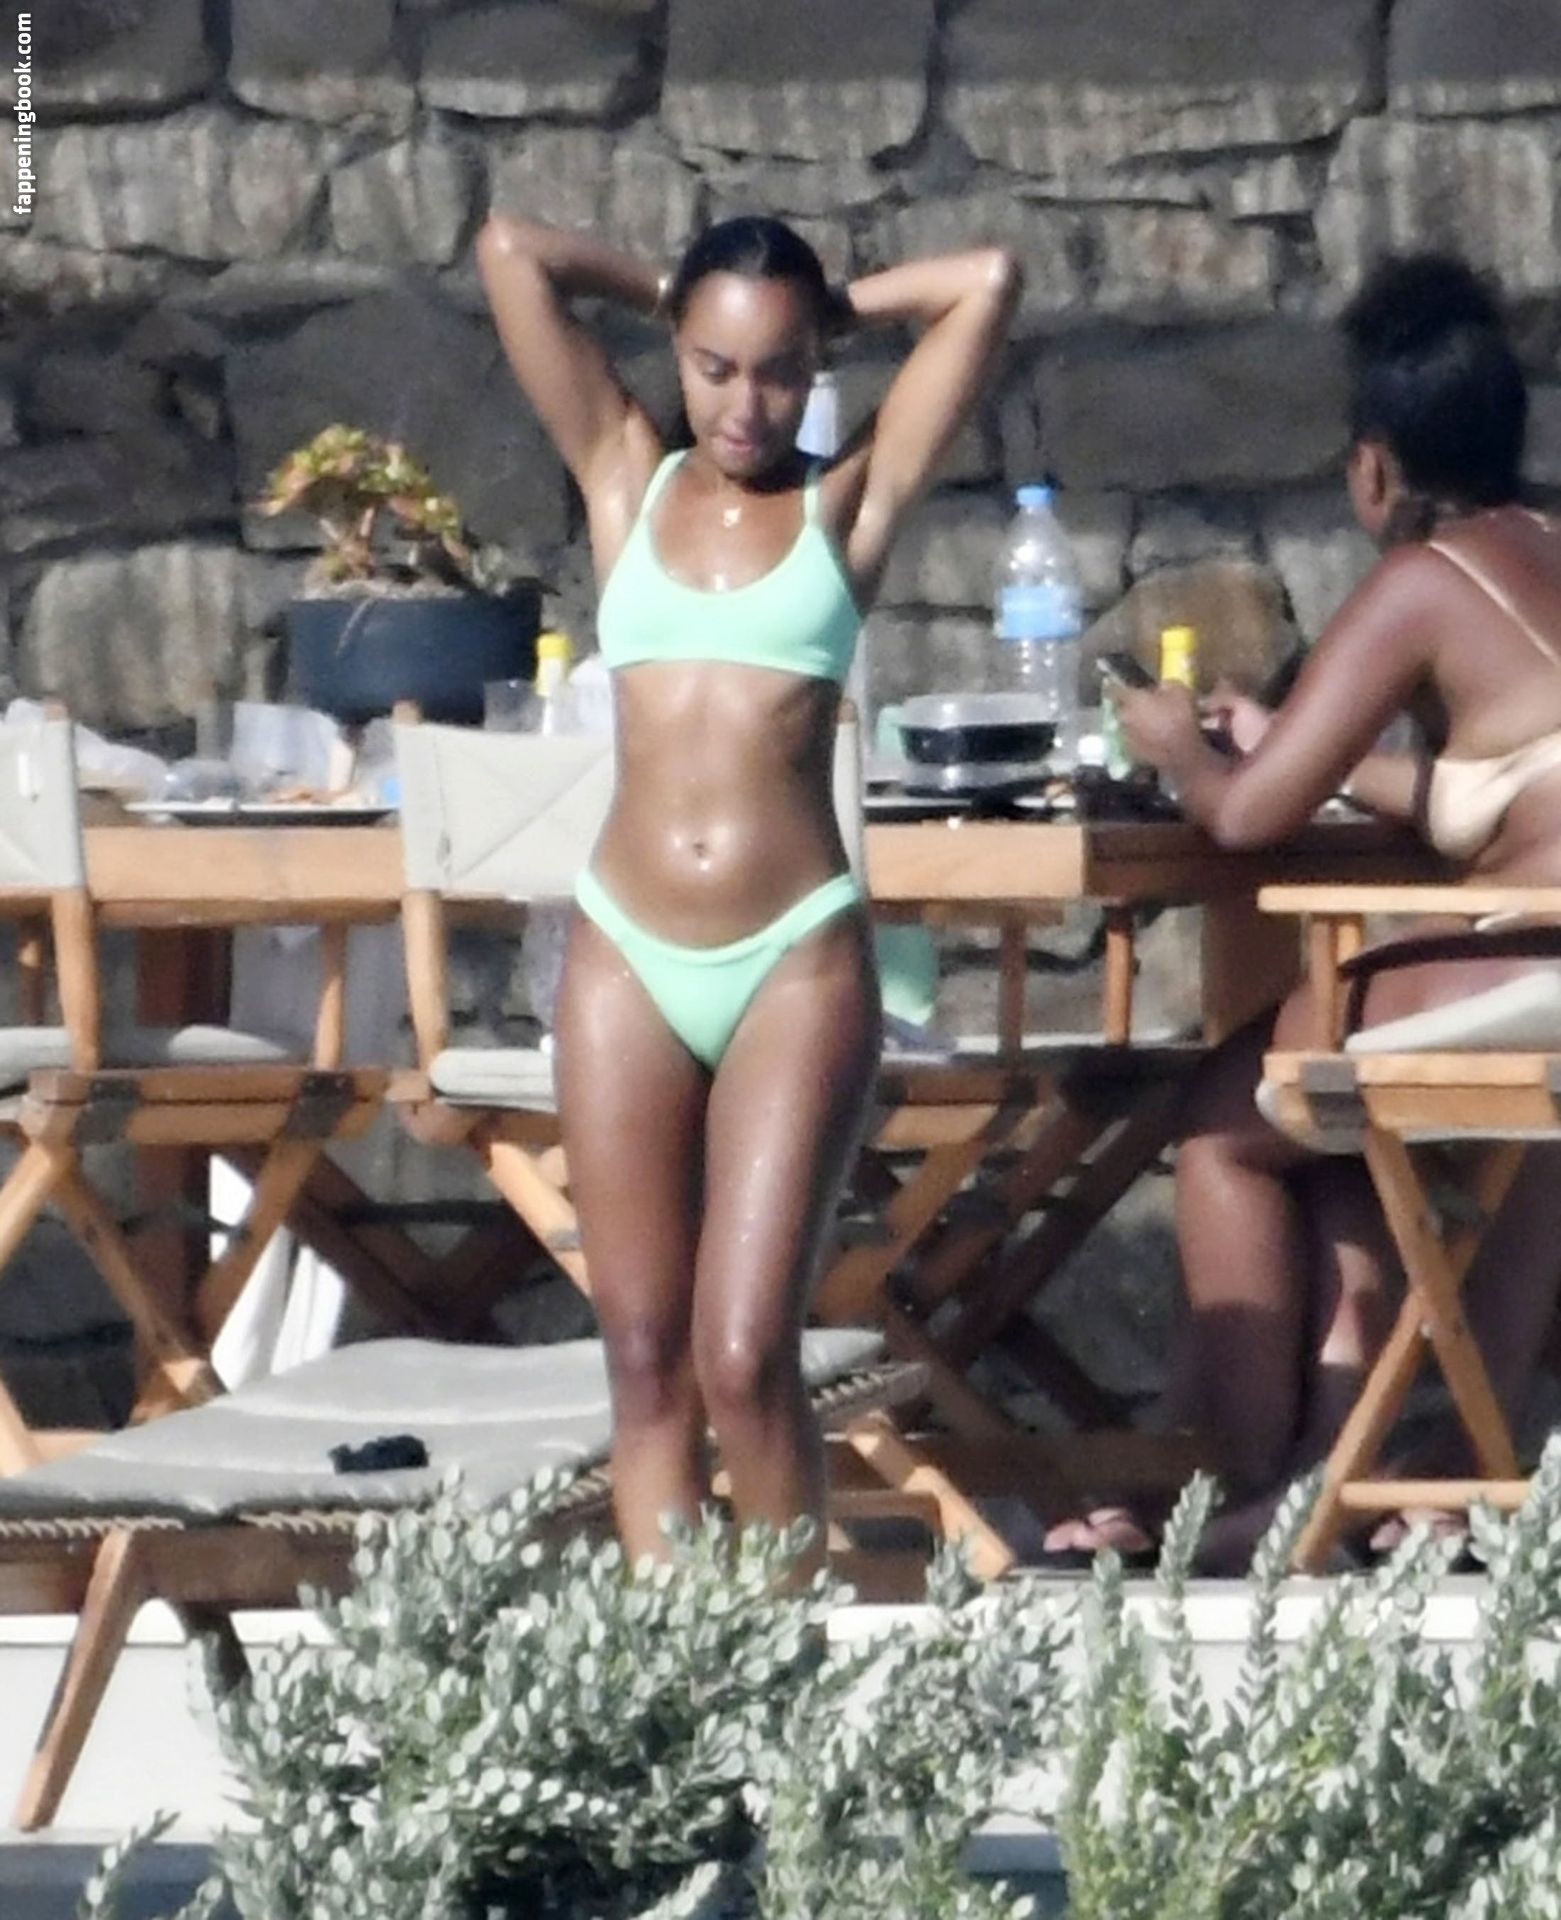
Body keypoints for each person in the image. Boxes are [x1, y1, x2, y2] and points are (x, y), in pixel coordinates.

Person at [475, 211, 1021, 1566]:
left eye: (780, 371)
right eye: (714, 366)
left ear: (815, 366)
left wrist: (832, 303)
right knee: (643, 1354)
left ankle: (783, 1665)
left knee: (741, 1355)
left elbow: (986, 282)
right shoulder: (624, 476)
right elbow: (509, 252)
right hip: (625, 954)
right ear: (676, 349)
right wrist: (671, 282)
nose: (745, 403)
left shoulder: (846, 504)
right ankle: (673, 1673)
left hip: (793, 960)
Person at [1046, 253, 1561, 1572]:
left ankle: (1214, 1476)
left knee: (1227, 1117)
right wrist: (1289, 740)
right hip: (1544, 977)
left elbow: (1242, 821)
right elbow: (1487, 789)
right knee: (1322, 1126)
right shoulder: (1544, 555)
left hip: (1529, 970)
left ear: (1374, 466)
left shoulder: (1423, 581)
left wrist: (1179, 745)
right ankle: (1341, 1477)